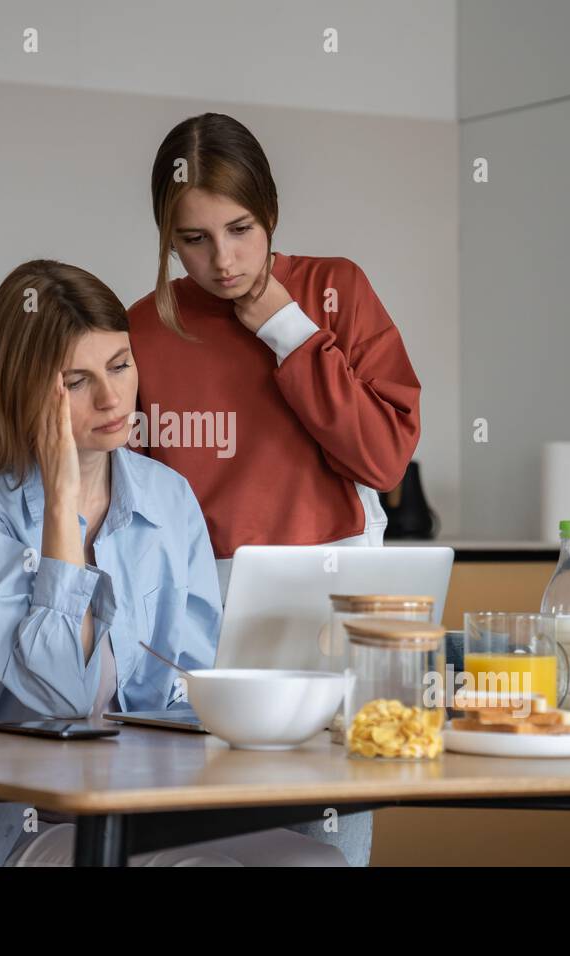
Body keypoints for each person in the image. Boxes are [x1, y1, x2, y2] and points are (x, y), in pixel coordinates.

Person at [0, 259, 346, 866]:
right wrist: (62, 501)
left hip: (136, 802)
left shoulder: (168, 496)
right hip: (6, 820)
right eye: (76, 381)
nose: (112, 398)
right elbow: (57, 691)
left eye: (120, 365)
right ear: (26, 386)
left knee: (314, 862)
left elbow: (190, 688)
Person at [126, 113, 424, 866]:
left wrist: (288, 331)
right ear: (165, 234)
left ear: (271, 214)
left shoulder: (333, 291)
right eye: (193, 239)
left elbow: (384, 458)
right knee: (202, 840)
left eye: (240, 229)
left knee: (329, 840)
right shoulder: (141, 328)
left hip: (337, 614)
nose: (222, 260)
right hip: (199, 628)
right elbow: (110, 482)